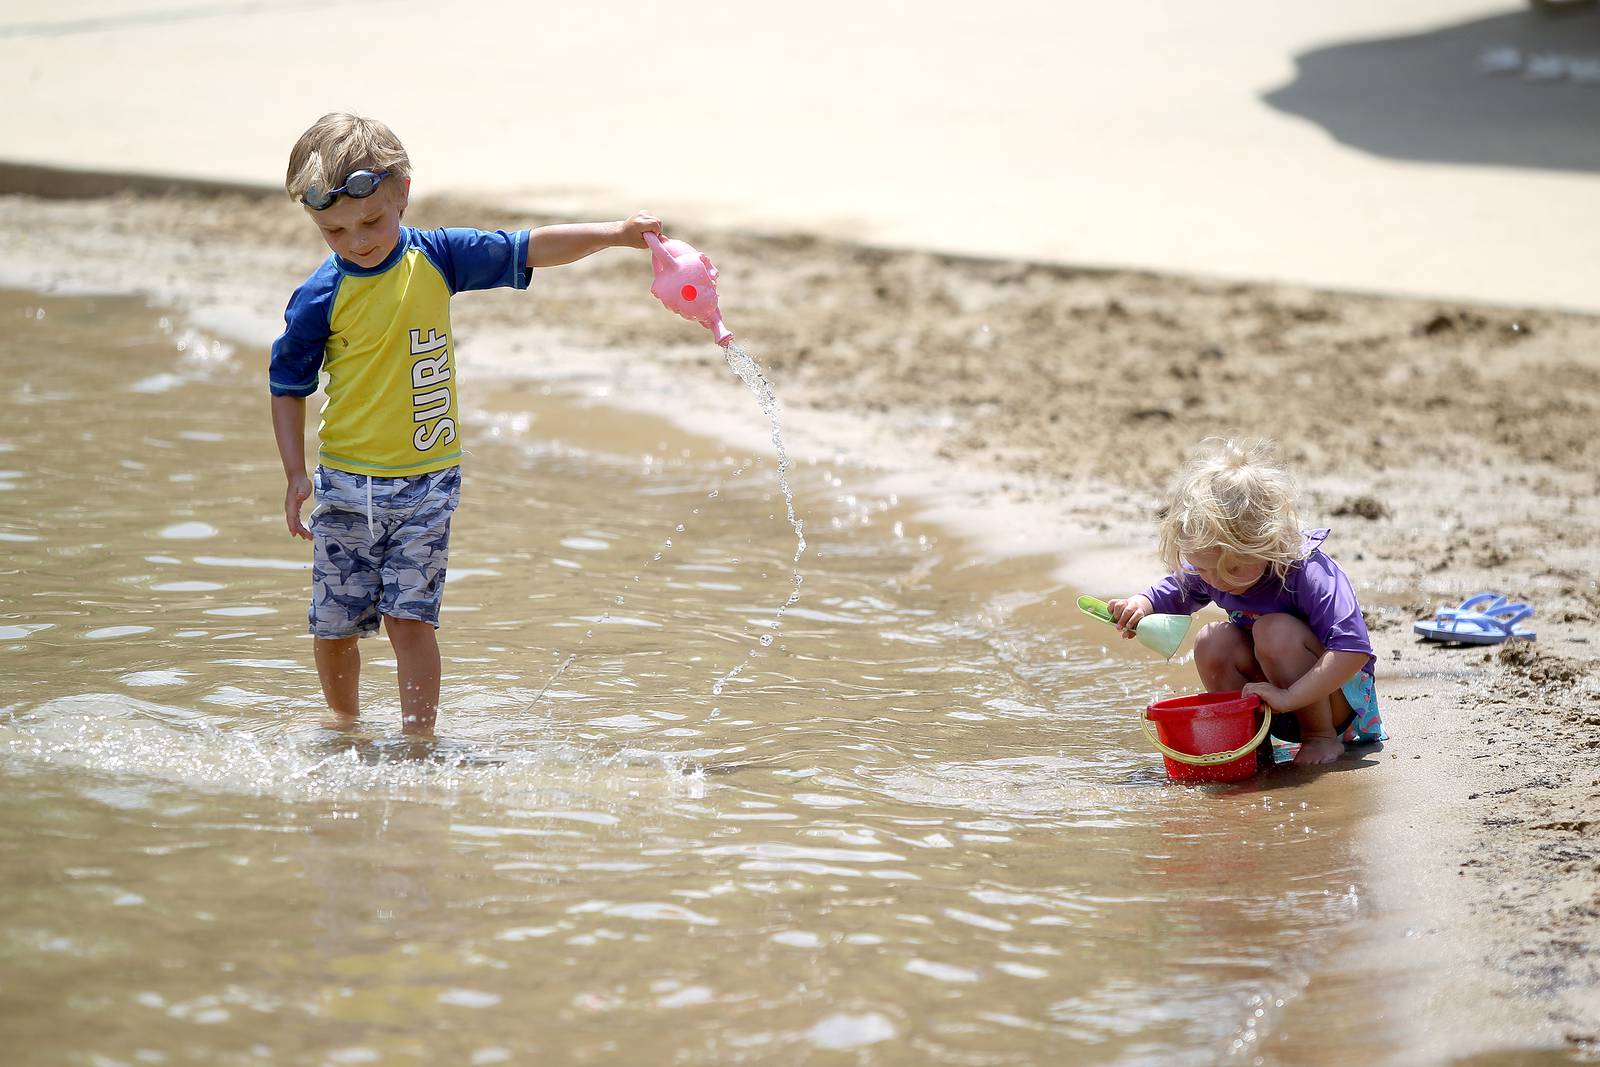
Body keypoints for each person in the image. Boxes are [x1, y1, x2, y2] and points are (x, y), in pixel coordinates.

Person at [269, 112, 661, 735]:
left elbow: (528, 246)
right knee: (335, 624)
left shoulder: (438, 257)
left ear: (402, 192)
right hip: (345, 484)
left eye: (371, 221)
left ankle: (418, 739)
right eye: (334, 231)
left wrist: (616, 234)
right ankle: (343, 727)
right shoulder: (320, 296)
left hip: (428, 482)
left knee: (411, 619)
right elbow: (288, 386)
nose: (357, 241)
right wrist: (295, 472)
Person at [1106, 438, 1385, 766]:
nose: (1215, 580)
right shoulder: (1214, 566)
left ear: (1264, 540)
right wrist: (1141, 605)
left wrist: (1289, 697)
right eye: (1203, 569)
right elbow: (1175, 589)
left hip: (1336, 704)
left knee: (1273, 631)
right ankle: (1251, 744)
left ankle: (1319, 737)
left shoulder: (1307, 570)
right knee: (1211, 640)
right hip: (1275, 703)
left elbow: (1352, 650)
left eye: (1232, 568)